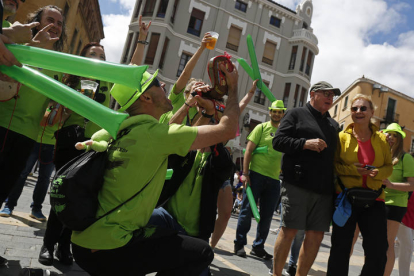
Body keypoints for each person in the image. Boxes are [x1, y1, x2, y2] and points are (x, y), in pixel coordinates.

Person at [70, 60, 240, 275]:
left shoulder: (122, 126)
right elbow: (227, 129)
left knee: (165, 231)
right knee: (202, 253)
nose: (164, 87)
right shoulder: (156, 136)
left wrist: (205, 114)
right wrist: (233, 87)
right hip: (108, 249)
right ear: (146, 98)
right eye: (158, 84)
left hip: (85, 241)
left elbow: (175, 142)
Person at [0, 5, 66, 267]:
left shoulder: (60, 66)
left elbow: (54, 106)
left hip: (28, 136)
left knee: (3, 188)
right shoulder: (17, 46)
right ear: (36, 23)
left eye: (60, 23)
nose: (56, 26)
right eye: (50, 20)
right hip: (3, 125)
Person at [38, 42, 111, 266]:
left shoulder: (108, 82)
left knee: (82, 198)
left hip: (94, 145)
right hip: (70, 141)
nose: (98, 57)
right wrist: (70, 105)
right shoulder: (72, 79)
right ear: (83, 58)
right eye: (92, 54)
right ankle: (48, 244)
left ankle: (64, 246)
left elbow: (134, 65)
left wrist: (142, 39)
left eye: (101, 55)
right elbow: (52, 113)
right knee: (63, 194)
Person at [272, 81, 340, 276]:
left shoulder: (333, 125)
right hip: (296, 183)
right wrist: (304, 143)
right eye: (325, 93)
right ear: (312, 94)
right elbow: (278, 141)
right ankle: (276, 274)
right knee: (290, 230)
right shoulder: (295, 114)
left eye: (332, 95)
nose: (329, 97)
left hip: (324, 190)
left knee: (316, 236)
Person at [326, 94, 393, 276]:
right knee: (340, 249)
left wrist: (378, 173)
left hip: (375, 198)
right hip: (345, 198)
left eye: (363, 108)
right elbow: (334, 166)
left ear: (372, 112)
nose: (358, 112)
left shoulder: (381, 139)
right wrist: (354, 171)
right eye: (354, 108)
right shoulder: (341, 137)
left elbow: (389, 166)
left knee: (378, 251)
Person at [234, 99, 285, 259]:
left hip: (274, 180)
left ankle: (258, 246)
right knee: (246, 211)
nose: (277, 114)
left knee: (267, 215)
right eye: (274, 111)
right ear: (270, 112)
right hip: (255, 175)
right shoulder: (261, 128)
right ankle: (239, 244)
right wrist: (245, 173)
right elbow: (248, 150)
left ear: (283, 113)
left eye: (280, 111)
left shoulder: (285, 132)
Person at [210, 79, 257, 250]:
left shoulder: (231, 118)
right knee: (204, 213)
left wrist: (251, 91)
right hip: (205, 169)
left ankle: (210, 248)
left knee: (226, 213)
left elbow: (242, 104)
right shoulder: (207, 117)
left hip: (223, 172)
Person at [0, 118, 60, 220]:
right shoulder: (46, 103)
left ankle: (36, 209)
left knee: (45, 178)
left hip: (52, 144)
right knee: (22, 174)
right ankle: (9, 205)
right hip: (34, 140)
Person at [381, 123, 414, 276]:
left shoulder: (406, 158)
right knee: (377, 243)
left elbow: (411, 185)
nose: (391, 138)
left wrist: (391, 184)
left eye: (395, 135)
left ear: (400, 139)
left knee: (390, 244)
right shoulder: (381, 155)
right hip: (378, 202)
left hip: (396, 205)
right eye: (389, 134)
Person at [396, 181, 414, 276]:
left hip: (411, 216)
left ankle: (377, 266)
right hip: (404, 214)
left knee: (397, 247)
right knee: (407, 247)